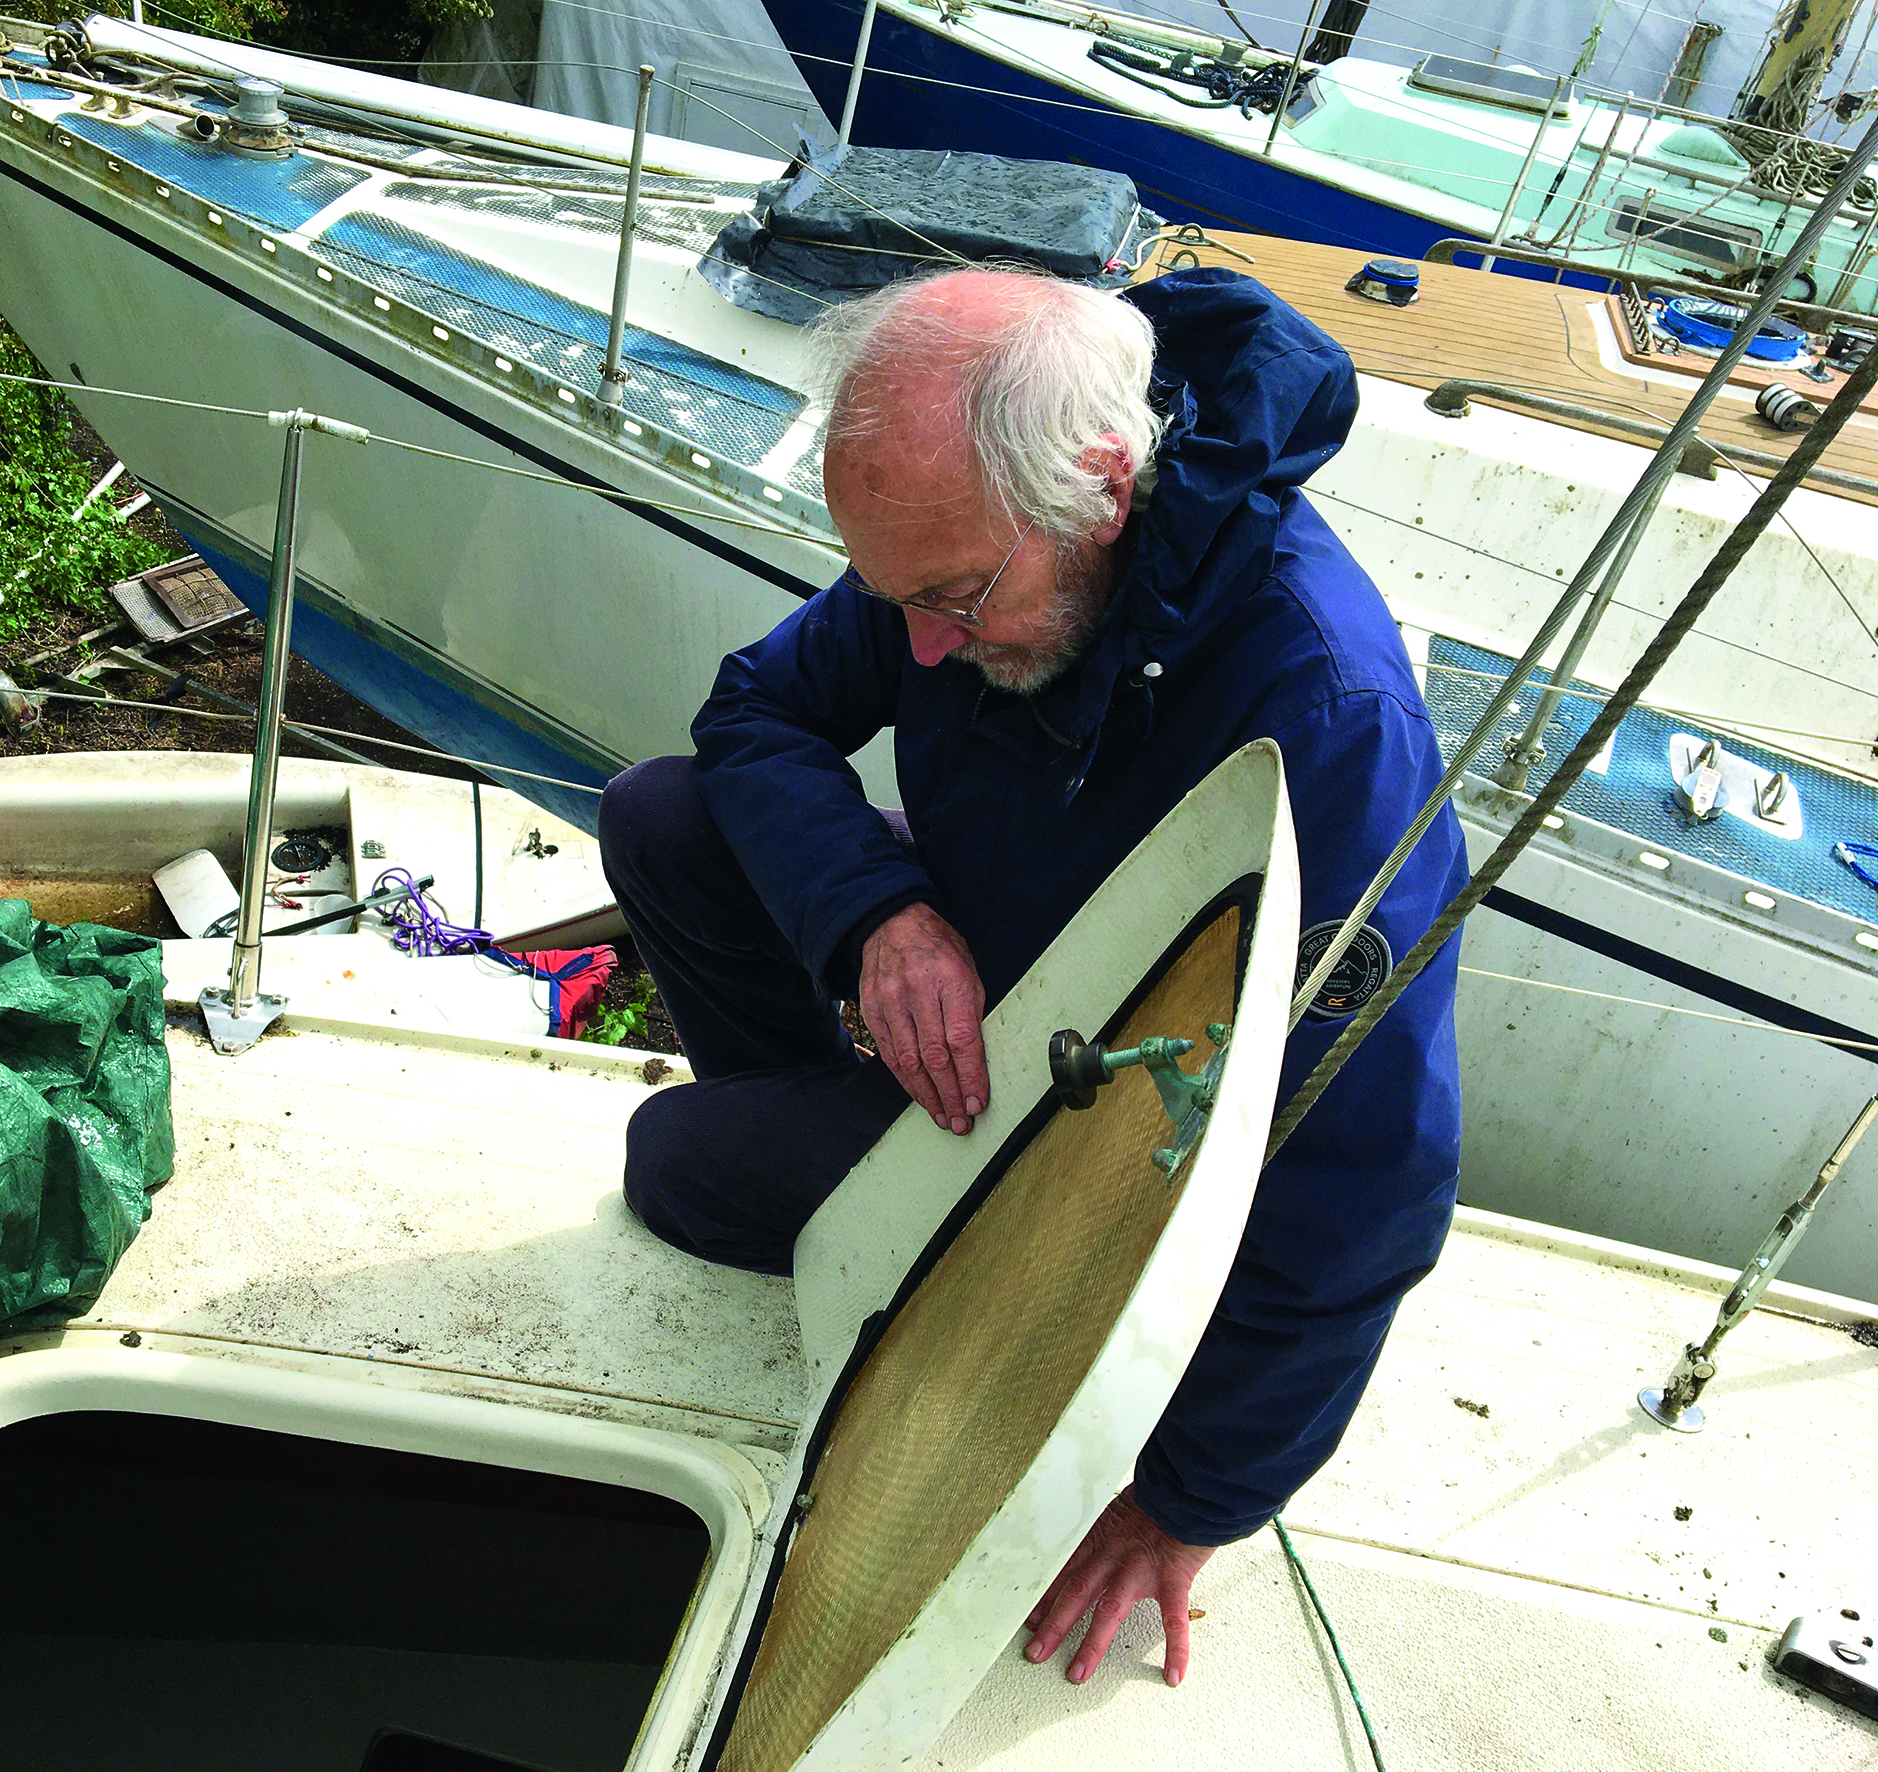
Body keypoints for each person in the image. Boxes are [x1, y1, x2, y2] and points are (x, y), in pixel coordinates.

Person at [597, 264, 1467, 1689]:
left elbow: (1370, 1173)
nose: (919, 643)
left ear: (1106, 486)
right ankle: (880, 1194)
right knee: (661, 813)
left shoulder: (1322, 715)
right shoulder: (975, 524)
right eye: (894, 599)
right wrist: (877, 914)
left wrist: (1190, 1503)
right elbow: (757, 706)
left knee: (679, 1164)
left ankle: (897, 1215)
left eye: (948, 599)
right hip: (1010, 970)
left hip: (1108, 1117)